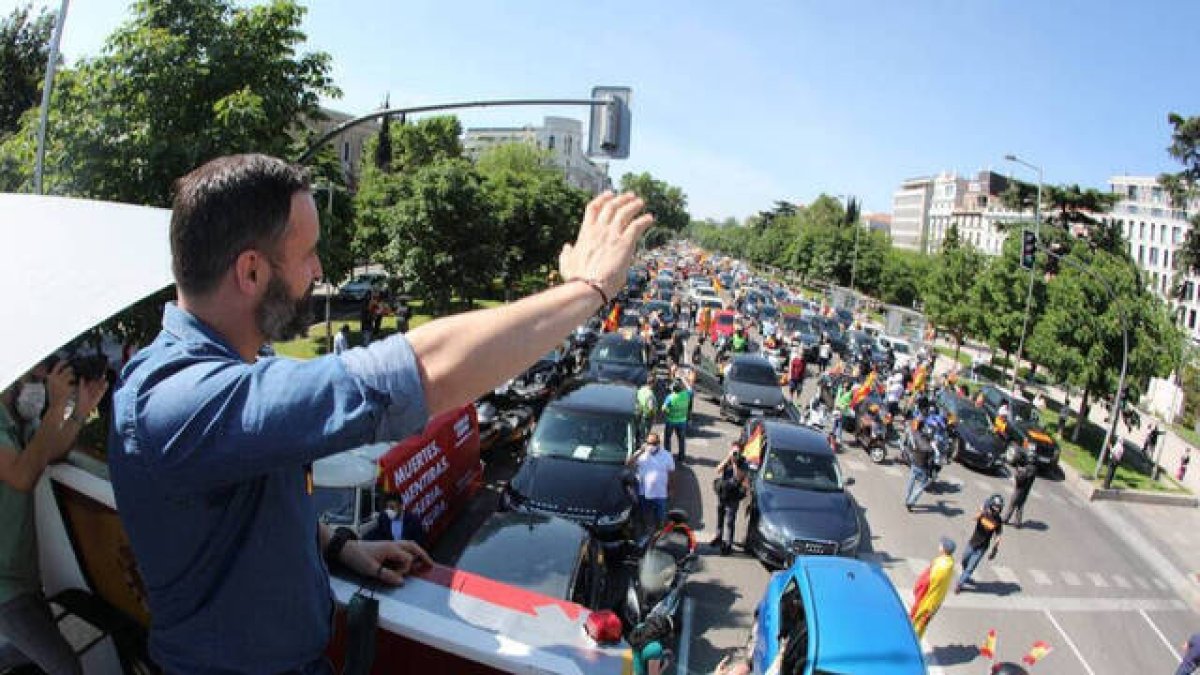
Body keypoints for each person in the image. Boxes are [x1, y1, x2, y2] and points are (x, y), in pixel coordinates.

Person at [107, 155, 653, 674]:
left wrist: (340, 546)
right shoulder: (181, 401)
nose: (319, 271)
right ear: (250, 271)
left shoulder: (235, 370)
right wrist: (588, 290)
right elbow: (422, 371)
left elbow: (256, 499)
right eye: (307, 255)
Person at [1, 358, 108, 675]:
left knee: (29, 655)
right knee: (64, 667)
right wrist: (55, 407)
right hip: (4, 586)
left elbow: (50, 452)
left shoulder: (15, 416)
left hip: (22, 574)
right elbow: (22, 476)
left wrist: (78, 410)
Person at [956, 495, 1004, 593]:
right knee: (964, 561)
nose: (997, 509)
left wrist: (995, 549)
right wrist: (981, 511)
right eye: (995, 506)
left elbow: (998, 535)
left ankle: (960, 584)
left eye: (999, 507)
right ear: (991, 505)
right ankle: (966, 575)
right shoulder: (984, 513)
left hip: (982, 548)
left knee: (971, 567)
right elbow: (974, 518)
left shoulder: (998, 520)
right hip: (972, 543)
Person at [910, 537, 956, 639]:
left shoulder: (939, 566)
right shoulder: (950, 563)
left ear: (943, 549)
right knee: (923, 625)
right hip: (937, 601)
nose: (939, 545)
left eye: (941, 544)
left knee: (916, 624)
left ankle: (912, 644)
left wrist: (916, 590)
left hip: (927, 601)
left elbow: (925, 582)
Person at [628, 433, 675, 529]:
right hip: (644, 493)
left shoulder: (667, 455)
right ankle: (645, 529)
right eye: (648, 443)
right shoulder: (641, 455)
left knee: (660, 516)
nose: (651, 446)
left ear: (658, 443)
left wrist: (670, 488)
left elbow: (671, 473)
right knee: (644, 515)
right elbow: (628, 464)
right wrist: (640, 451)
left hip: (660, 493)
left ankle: (659, 532)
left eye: (653, 443)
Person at [710, 445, 750, 555]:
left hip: (734, 496)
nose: (735, 454)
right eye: (733, 451)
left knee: (729, 521)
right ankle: (718, 537)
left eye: (737, 452)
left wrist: (735, 464)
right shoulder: (727, 460)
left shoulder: (743, 463)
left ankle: (728, 544)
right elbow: (718, 469)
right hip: (723, 493)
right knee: (720, 517)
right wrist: (728, 458)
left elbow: (737, 477)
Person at [905, 420, 935, 512]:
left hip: (914, 462)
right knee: (922, 484)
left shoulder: (914, 434)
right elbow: (929, 450)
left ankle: (907, 498)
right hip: (922, 465)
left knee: (911, 481)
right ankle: (910, 502)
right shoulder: (924, 440)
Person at [1004, 454, 1038, 528]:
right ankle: (1018, 523)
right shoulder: (1034, 469)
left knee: (1012, 504)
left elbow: (1021, 478)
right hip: (1026, 491)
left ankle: (1006, 519)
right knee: (1020, 506)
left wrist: (1018, 471)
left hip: (1019, 489)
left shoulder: (1028, 468)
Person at [662, 380, 692, 461]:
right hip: (682, 421)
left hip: (671, 420)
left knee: (667, 439)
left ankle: (667, 456)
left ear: (673, 389)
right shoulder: (686, 394)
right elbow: (690, 388)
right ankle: (681, 456)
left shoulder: (670, 397)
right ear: (681, 388)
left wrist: (668, 412)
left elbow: (663, 408)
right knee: (681, 440)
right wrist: (684, 380)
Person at [636, 375, 657, 440]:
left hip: (639, 412)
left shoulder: (641, 389)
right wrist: (654, 415)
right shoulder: (650, 394)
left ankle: (638, 440)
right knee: (646, 433)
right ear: (652, 383)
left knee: (639, 429)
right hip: (647, 416)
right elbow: (650, 408)